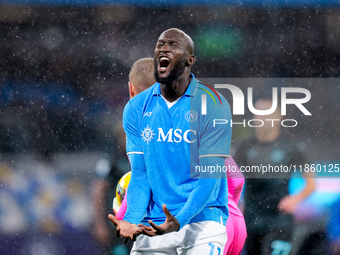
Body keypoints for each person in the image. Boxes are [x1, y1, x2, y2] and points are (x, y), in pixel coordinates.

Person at [108, 28, 232, 254]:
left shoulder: (213, 104)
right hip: (155, 224)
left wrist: (180, 219)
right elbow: (141, 174)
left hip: (202, 221)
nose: (163, 48)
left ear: (189, 60)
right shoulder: (136, 108)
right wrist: (133, 219)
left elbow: (209, 177)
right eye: (160, 44)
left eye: (173, 45)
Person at [234, 98, 315, 255]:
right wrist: (236, 204)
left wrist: (295, 200)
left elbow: (311, 184)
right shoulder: (244, 147)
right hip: (251, 222)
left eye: (266, 113)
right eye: (258, 113)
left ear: (279, 117)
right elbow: (230, 180)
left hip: (280, 222)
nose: (261, 118)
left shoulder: (291, 147)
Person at [91, 58, 155, 255]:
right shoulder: (113, 158)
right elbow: (98, 190)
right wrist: (99, 223)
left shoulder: (151, 146)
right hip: (118, 224)